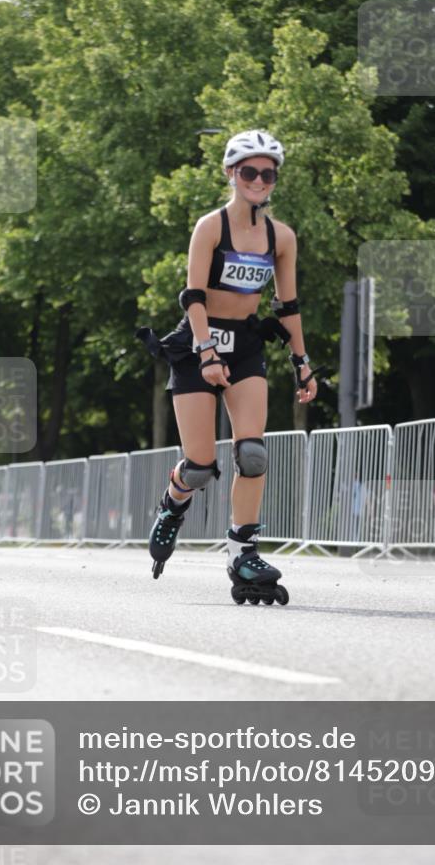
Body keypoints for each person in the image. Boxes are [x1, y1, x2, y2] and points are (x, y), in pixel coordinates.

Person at [137, 129, 323, 604]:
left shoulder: (281, 237)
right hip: (198, 344)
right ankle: (172, 505)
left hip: (244, 347)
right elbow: (193, 297)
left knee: (253, 454)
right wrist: (205, 351)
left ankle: (243, 551)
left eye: (268, 174)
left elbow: (287, 305)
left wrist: (302, 362)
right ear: (231, 174)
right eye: (249, 172)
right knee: (200, 466)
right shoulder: (211, 228)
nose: (259, 180)